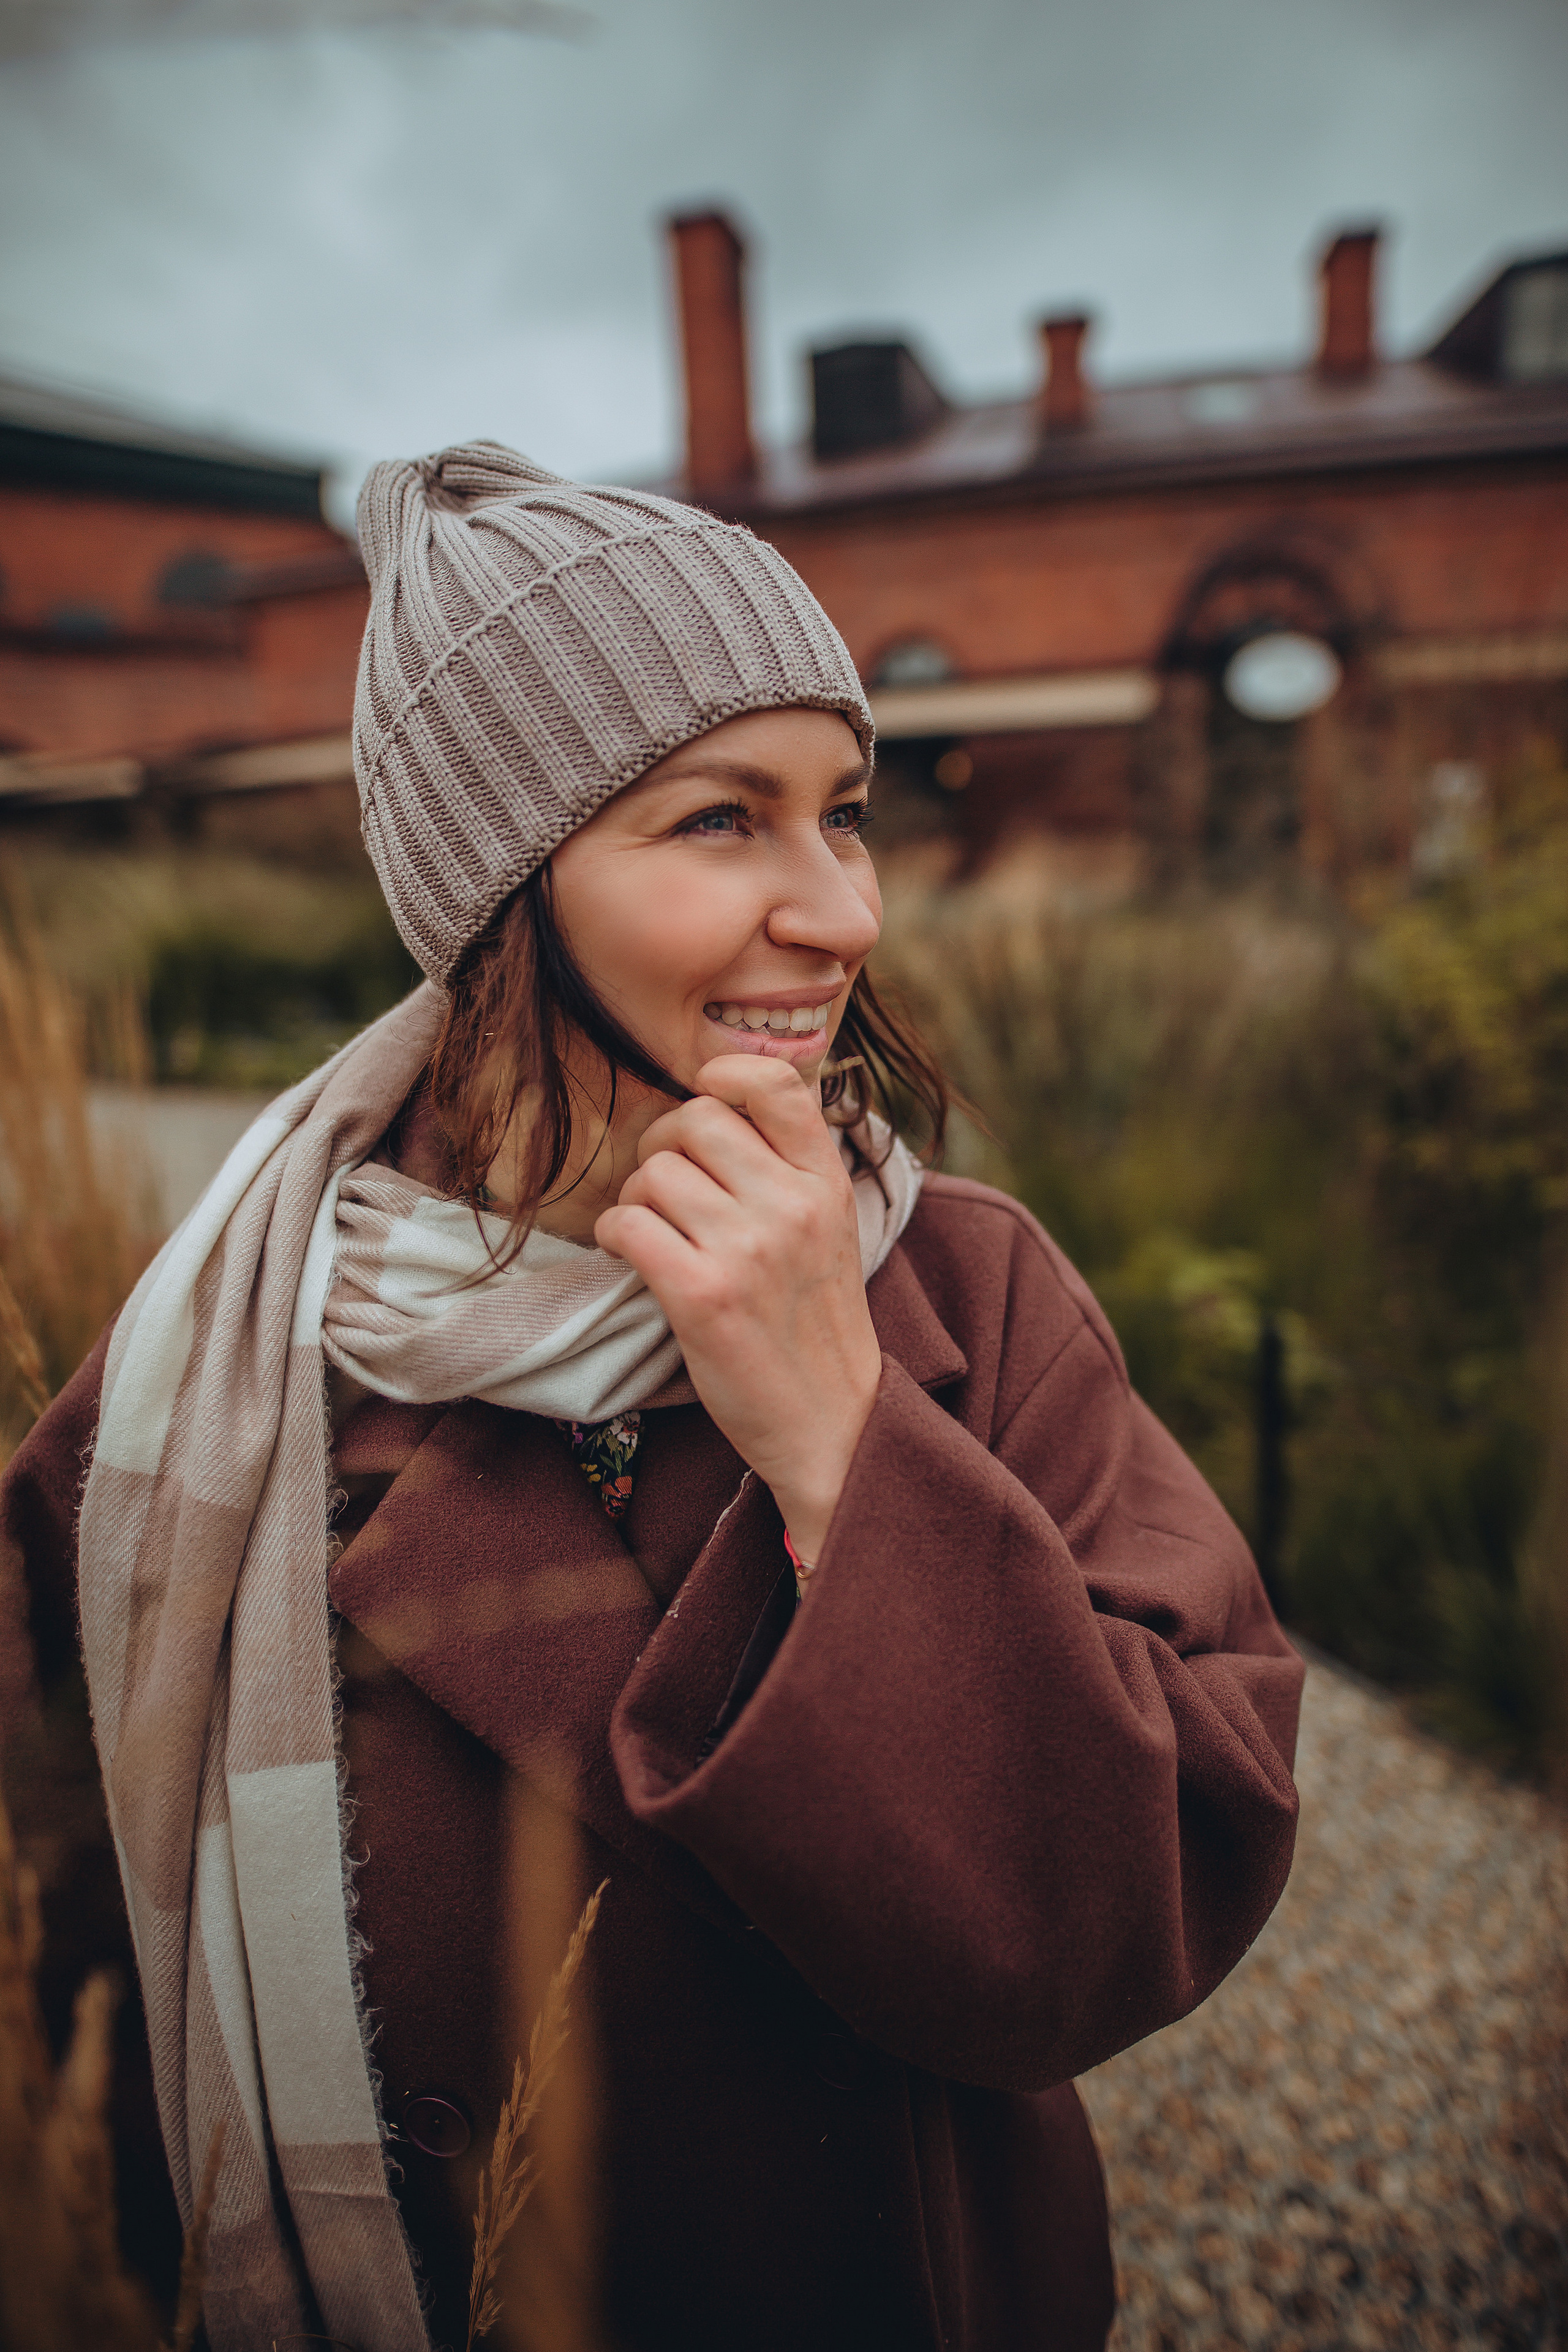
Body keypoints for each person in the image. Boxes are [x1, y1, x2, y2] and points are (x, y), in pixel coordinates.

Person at [0, 443, 1303, 2352]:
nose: (841, 911)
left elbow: (1137, 1912)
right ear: (502, 888)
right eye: (721, 822)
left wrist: (844, 1434)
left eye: (841, 815)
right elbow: (60, 1995)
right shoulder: (209, 1385)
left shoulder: (976, 1289)